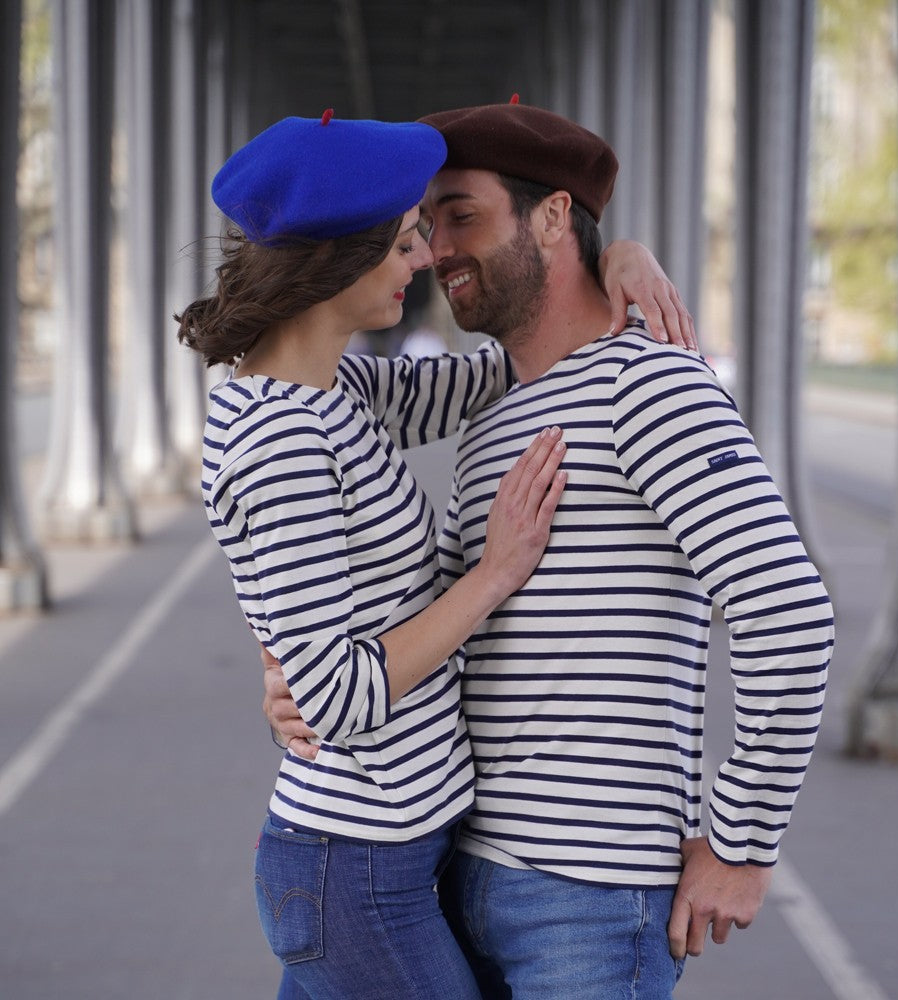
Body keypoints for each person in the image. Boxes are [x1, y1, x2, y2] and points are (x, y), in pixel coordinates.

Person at [267, 101, 834, 1000]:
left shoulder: (649, 386)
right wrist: (301, 667)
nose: (435, 249)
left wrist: (741, 845)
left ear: (553, 216)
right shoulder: (490, 401)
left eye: (464, 216)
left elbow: (788, 615)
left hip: (590, 902)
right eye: (424, 225)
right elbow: (278, 417)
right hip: (450, 869)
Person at [178, 111, 695, 1000]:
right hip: (356, 866)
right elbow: (334, 697)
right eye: (404, 240)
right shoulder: (284, 440)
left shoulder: (339, 390)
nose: (423, 261)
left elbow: (508, 364)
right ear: (332, 257)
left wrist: (609, 255)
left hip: (391, 852)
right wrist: (496, 574)